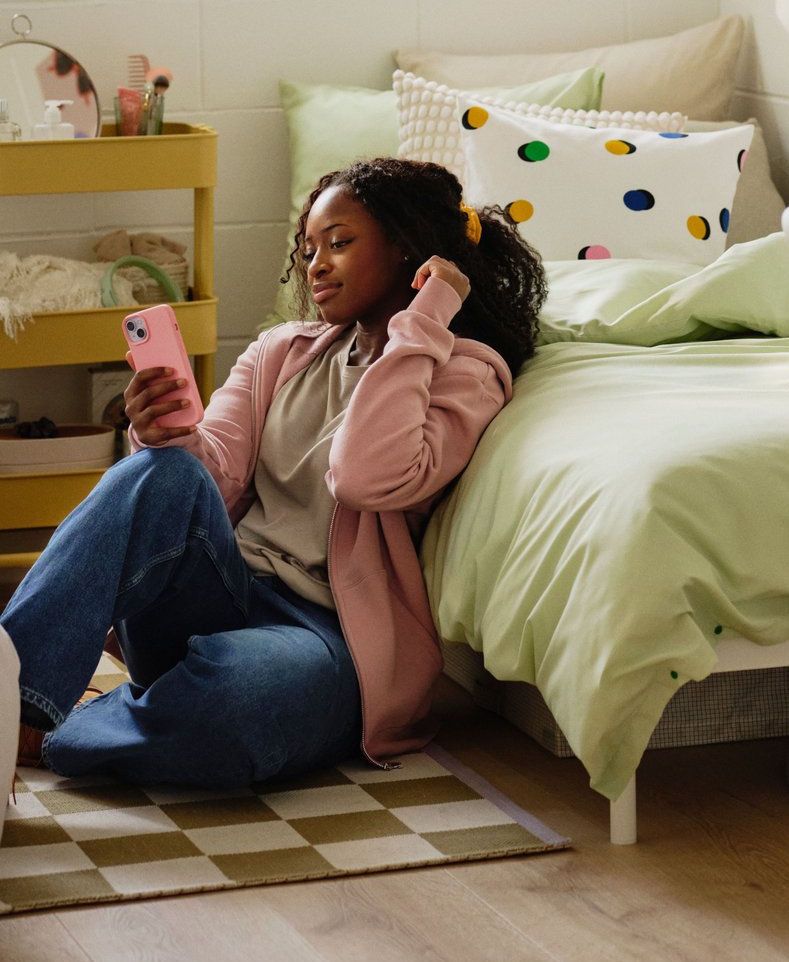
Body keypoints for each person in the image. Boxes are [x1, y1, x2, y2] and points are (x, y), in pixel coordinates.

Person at [2, 158, 545, 789]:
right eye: (309, 247)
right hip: (222, 590)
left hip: (326, 638)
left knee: (236, 706)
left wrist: (421, 325)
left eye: (339, 243)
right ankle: (14, 700)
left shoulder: (463, 372)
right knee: (157, 471)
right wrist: (165, 437)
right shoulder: (280, 351)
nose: (315, 264)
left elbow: (364, 477)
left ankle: (77, 732)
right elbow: (215, 478)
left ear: (407, 251)